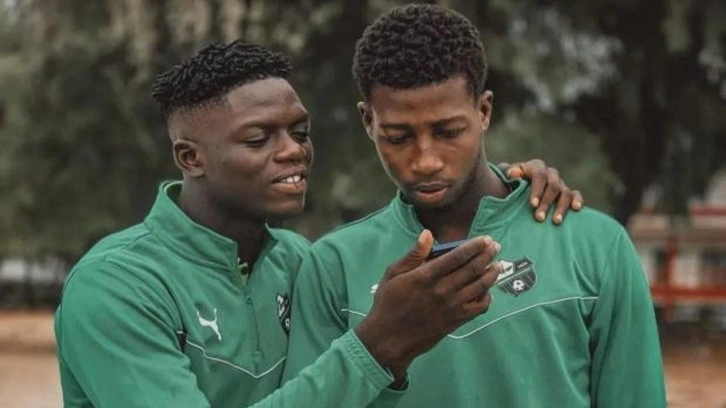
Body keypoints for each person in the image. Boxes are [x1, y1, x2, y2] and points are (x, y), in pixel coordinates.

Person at [54, 41, 581, 407]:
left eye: (300, 132)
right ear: (191, 158)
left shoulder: (300, 262)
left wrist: (503, 190)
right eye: (258, 139)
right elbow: (363, 362)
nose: (294, 152)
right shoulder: (116, 286)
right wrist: (377, 345)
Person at [282, 4, 666, 408]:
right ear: (368, 122)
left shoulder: (595, 246)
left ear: (483, 111)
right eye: (398, 137)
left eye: (448, 132)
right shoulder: (333, 266)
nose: (426, 160)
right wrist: (385, 341)